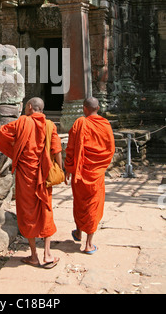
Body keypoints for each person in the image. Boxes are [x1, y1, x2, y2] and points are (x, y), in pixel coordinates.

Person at [0, 97, 62, 268]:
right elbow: (57, 151)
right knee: (45, 210)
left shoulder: (23, 122)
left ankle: (34, 255)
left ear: (29, 107)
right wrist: (60, 171)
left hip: (26, 177)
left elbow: (2, 133)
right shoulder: (50, 125)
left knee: (28, 214)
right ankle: (48, 254)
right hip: (44, 177)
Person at [64, 97, 115, 254]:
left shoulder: (80, 123)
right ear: (98, 108)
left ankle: (79, 231)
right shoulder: (105, 125)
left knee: (80, 203)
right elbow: (110, 149)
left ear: (84, 108)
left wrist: (68, 169)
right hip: (96, 174)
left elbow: (70, 148)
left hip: (80, 173)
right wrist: (101, 166)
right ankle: (88, 244)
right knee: (93, 205)